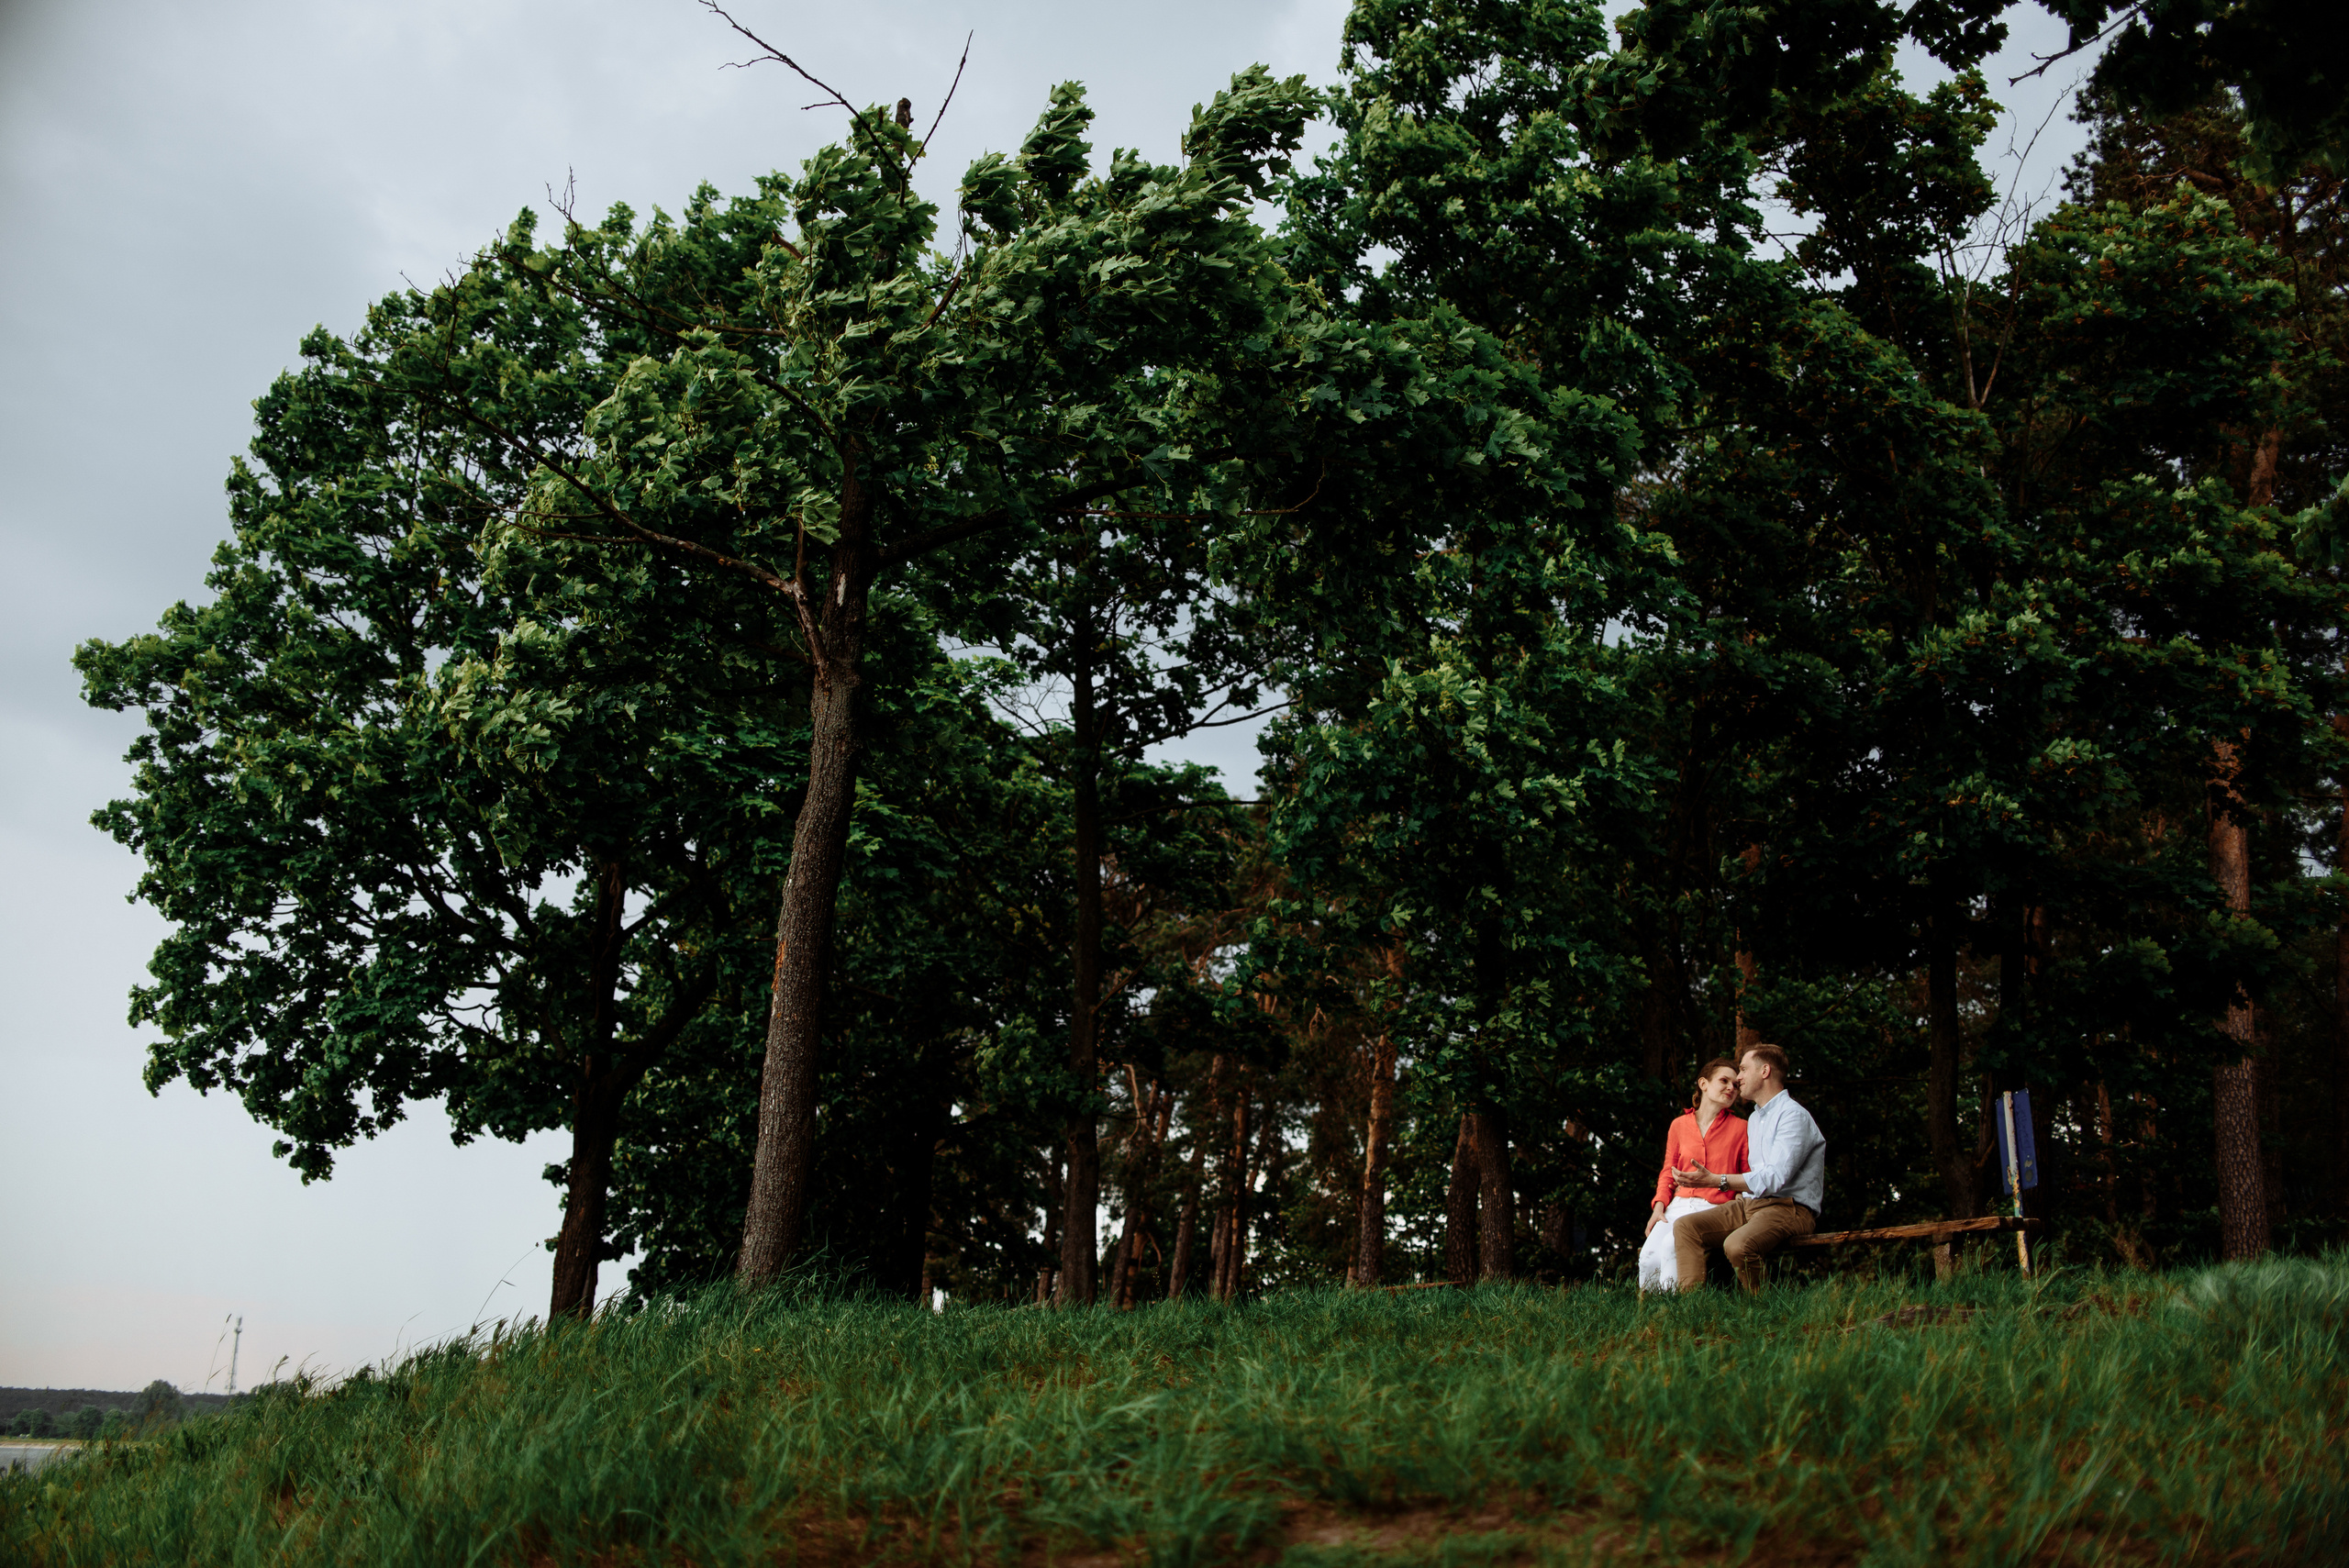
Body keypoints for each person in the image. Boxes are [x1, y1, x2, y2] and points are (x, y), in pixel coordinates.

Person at [1671, 1042, 1824, 1293]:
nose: (1738, 1078)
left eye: (1743, 1069)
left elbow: (1775, 1177)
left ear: (1764, 1071)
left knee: (1737, 1245)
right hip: (1752, 1204)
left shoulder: (1793, 1116)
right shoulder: (1755, 1118)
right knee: (1687, 1227)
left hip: (1789, 1208)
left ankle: (1762, 1310)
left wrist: (1717, 1181)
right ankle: (1692, 1308)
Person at [1636, 1058, 1749, 1292]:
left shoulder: (1742, 1128)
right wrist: (1659, 1207)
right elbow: (1668, 1170)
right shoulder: (1679, 1125)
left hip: (1715, 1207)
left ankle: (1674, 1316)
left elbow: (1748, 1174)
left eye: (1735, 1085)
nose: (1731, 1088)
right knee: (1648, 1256)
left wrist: (1740, 1199)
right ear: (1703, 1084)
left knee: (1670, 1247)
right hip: (1677, 1205)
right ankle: (1648, 1318)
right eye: (1724, 1081)